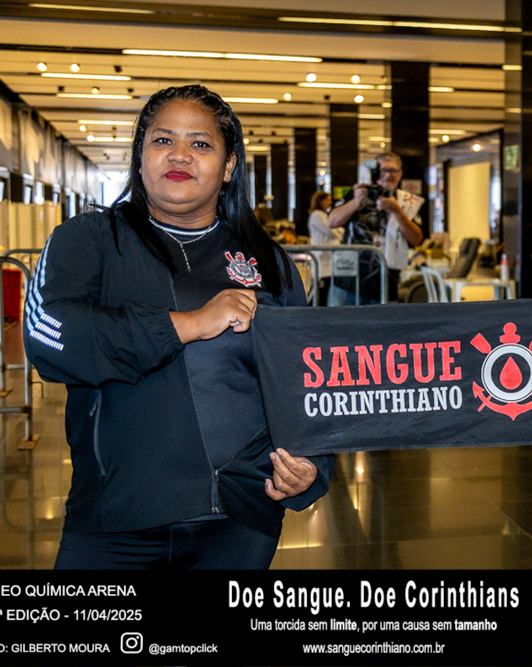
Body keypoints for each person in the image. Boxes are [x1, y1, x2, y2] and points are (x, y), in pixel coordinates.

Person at [24, 85, 333, 569]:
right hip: (117, 521)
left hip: (241, 519)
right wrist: (188, 324)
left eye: (201, 143)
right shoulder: (89, 240)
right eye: (163, 140)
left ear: (229, 166)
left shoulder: (268, 261)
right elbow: (49, 335)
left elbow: (307, 379)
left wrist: (313, 468)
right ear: (140, 156)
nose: (180, 155)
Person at [327, 153, 425, 304]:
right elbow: (332, 221)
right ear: (374, 172)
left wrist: (397, 211)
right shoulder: (359, 193)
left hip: (386, 283)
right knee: (339, 319)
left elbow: (416, 239)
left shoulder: (406, 201)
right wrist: (356, 202)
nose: (388, 175)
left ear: (400, 174)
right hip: (348, 281)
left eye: (393, 170)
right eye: (383, 170)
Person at [307, 190, 343, 305]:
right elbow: (331, 231)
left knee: (326, 289)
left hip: (328, 260)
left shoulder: (325, 216)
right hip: (322, 259)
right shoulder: (317, 215)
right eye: (327, 200)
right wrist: (338, 231)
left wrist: (337, 230)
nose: (330, 202)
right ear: (320, 201)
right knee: (320, 291)